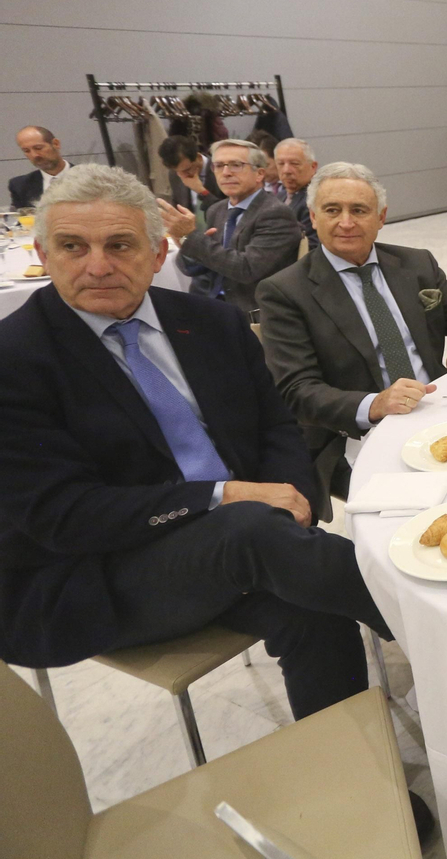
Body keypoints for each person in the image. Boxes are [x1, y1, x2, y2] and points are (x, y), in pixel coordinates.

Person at [0, 164, 394, 721]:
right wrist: (225, 498)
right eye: (71, 246)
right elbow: (63, 516)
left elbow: (276, 426)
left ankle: (359, 783)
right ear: (43, 251)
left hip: (250, 543)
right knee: (256, 532)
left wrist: (290, 497)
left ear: (158, 254)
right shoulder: (15, 359)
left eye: (119, 245)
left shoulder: (211, 322)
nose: (97, 265)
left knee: (309, 603)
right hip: (96, 573)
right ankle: (436, 624)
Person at [256, 162, 447, 515]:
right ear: (312, 216)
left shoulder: (416, 264)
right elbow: (297, 389)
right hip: (359, 434)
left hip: (439, 407)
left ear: (381, 216)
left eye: (359, 210)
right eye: (332, 210)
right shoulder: (285, 291)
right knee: (428, 514)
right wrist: (374, 403)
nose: (346, 222)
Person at [160, 140, 302, 313]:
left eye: (236, 165)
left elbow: (246, 269)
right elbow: (190, 268)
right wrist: (185, 243)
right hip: (211, 305)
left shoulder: (276, 213)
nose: (225, 173)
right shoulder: (217, 210)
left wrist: (191, 237)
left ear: (259, 174)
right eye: (219, 166)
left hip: (252, 311)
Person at [158, 134, 223, 215]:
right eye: (177, 171)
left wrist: (201, 191)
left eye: (187, 170)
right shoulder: (174, 174)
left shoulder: (222, 172)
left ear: (198, 157)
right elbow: (177, 207)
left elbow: (227, 214)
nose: (182, 176)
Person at [274, 138, 320, 252]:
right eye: (281, 164)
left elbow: (311, 246)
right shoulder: (279, 196)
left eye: (294, 164)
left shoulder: (316, 199)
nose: (286, 170)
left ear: (313, 167)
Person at [10, 125, 71, 209]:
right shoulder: (20, 185)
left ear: (56, 144)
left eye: (38, 148)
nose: (34, 155)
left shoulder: (90, 177)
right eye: (27, 151)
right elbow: (20, 218)